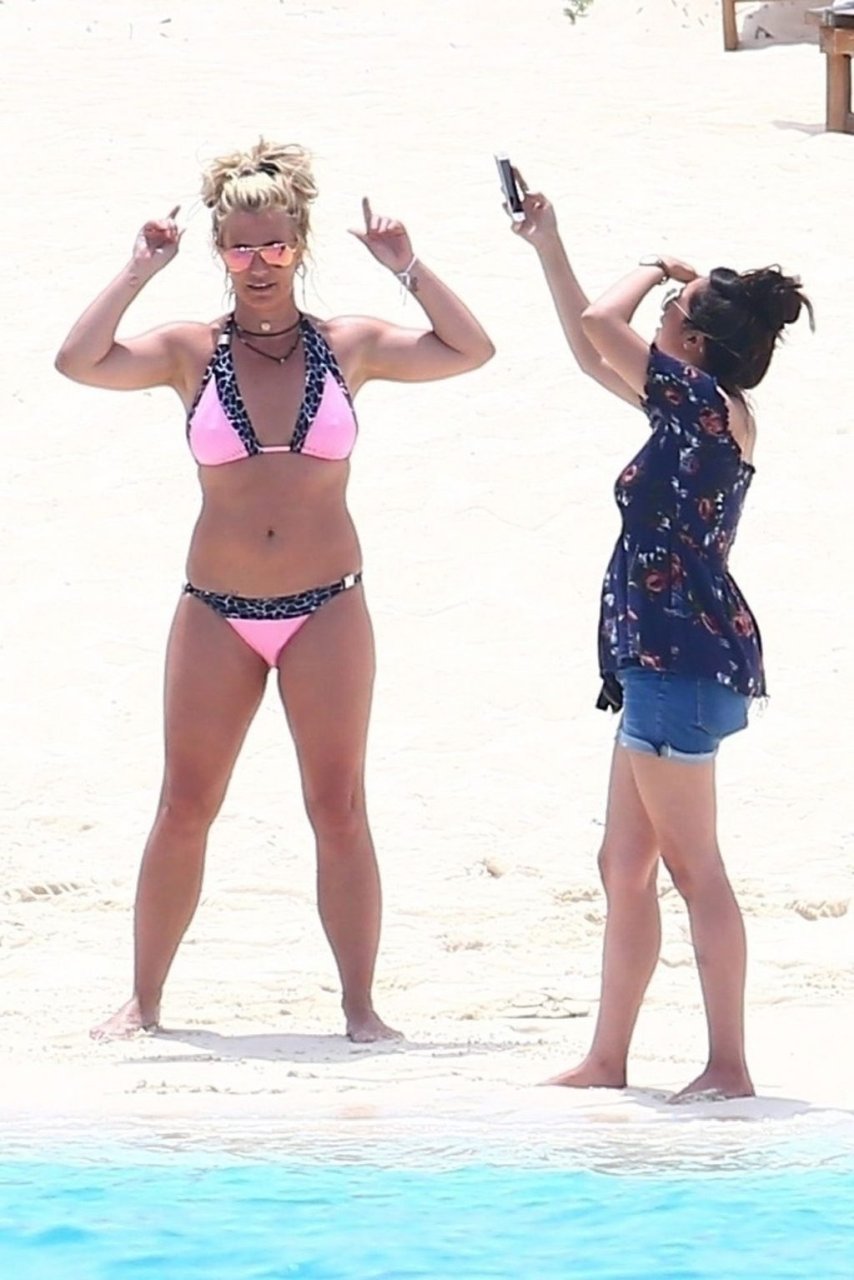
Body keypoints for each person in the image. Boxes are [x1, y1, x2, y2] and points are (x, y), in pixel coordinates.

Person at [55, 139, 494, 1043]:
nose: (259, 265)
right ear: (221, 252)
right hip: (216, 609)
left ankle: (361, 1007)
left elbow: (470, 348)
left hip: (327, 603)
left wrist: (407, 266)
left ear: (301, 245)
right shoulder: (189, 350)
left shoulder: (348, 345)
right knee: (184, 805)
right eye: (241, 249)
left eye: (276, 246)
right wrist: (137, 271)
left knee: (338, 808)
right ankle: (144, 1000)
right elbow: (78, 360)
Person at [510, 179, 811, 1100]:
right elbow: (590, 345)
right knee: (624, 865)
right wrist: (549, 244)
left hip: (680, 659)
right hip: (661, 661)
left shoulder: (708, 406)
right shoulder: (694, 408)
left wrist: (655, 267)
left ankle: (728, 1066)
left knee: (694, 868)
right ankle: (608, 1060)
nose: (659, 317)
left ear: (695, 343)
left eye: (673, 313)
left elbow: (605, 323)